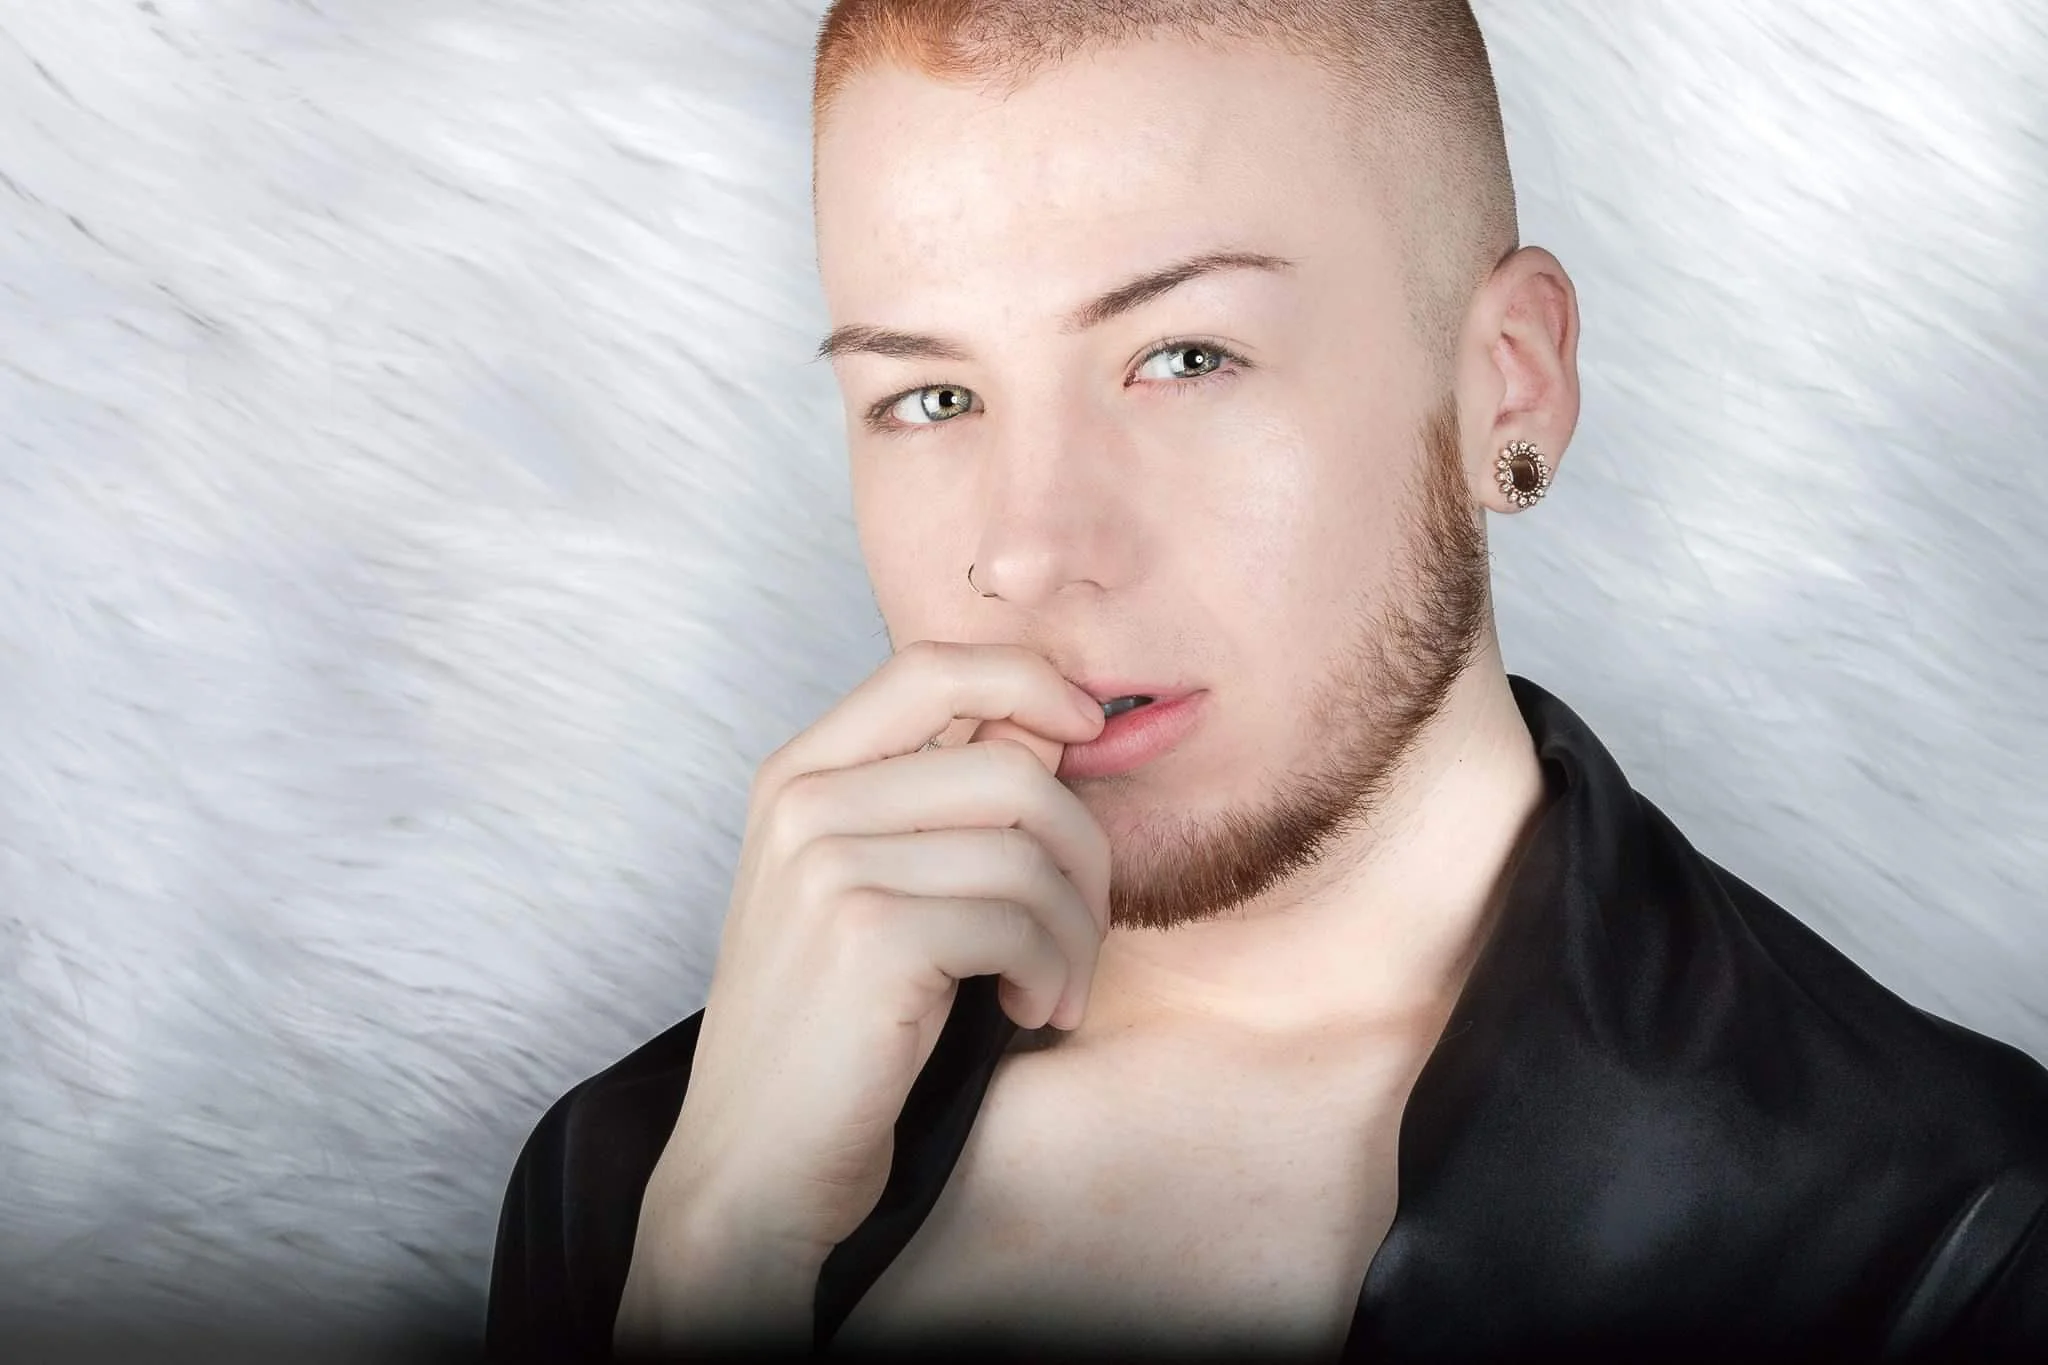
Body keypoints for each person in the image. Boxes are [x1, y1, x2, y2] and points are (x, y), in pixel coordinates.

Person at [485, 3, 2048, 1361]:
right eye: (932, 393)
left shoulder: (1947, 1235)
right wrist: (714, 1251)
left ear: (1509, 381)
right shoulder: (643, 1171)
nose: (1030, 550)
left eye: (1184, 359)